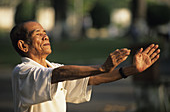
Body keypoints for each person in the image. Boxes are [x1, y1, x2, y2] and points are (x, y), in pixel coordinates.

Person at [10, 21, 160, 112]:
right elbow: (59, 74)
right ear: (23, 45)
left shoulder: (51, 67)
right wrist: (101, 67)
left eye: (45, 32)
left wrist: (130, 70)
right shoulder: (23, 71)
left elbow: (93, 79)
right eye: (38, 34)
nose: (45, 36)